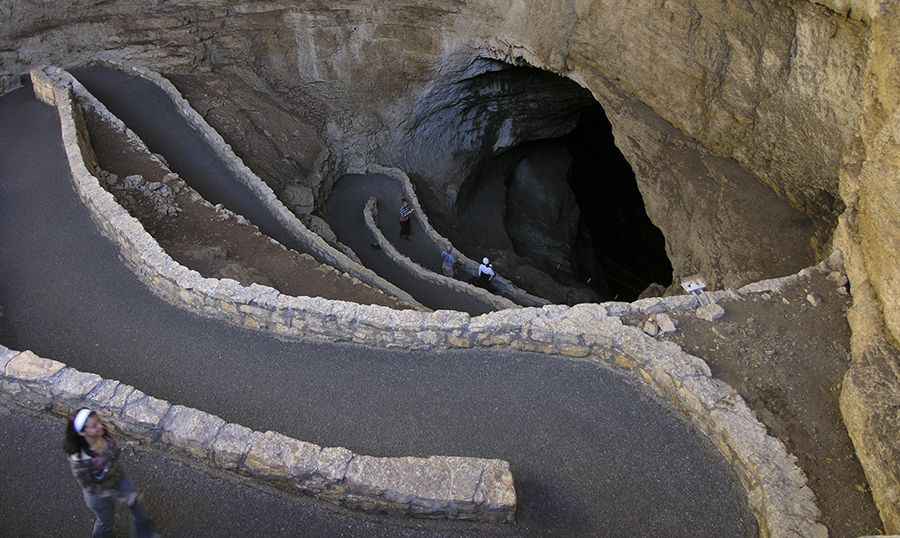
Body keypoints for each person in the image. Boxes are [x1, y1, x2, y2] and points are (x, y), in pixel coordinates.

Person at [64, 408, 158, 538]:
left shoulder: (104, 436)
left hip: (118, 477)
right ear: (82, 432)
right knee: (106, 522)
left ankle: (145, 534)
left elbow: (115, 454)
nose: (100, 426)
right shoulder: (79, 459)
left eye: (99, 422)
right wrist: (120, 496)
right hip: (99, 495)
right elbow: (91, 487)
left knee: (136, 504)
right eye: (94, 426)